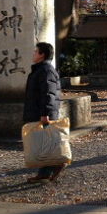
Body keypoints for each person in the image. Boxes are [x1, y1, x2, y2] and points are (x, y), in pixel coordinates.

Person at [23, 42, 65, 183]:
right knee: (43, 143)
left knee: (44, 142)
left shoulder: (45, 70)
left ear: (42, 55)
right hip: (39, 110)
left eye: (36, 51)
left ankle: (50, 169)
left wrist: (45, 112)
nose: (33, 54)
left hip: (42, 112)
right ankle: (49, 169)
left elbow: (49, 93)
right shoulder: (41, 69)